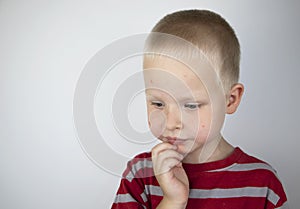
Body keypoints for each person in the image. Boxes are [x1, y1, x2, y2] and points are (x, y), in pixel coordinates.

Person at [111, 9, 288, 209]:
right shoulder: (140, 175)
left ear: (230, 100)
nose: (171, 123)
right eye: (158, 103)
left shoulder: (262, 185)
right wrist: (172, 201)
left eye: (191, 105)